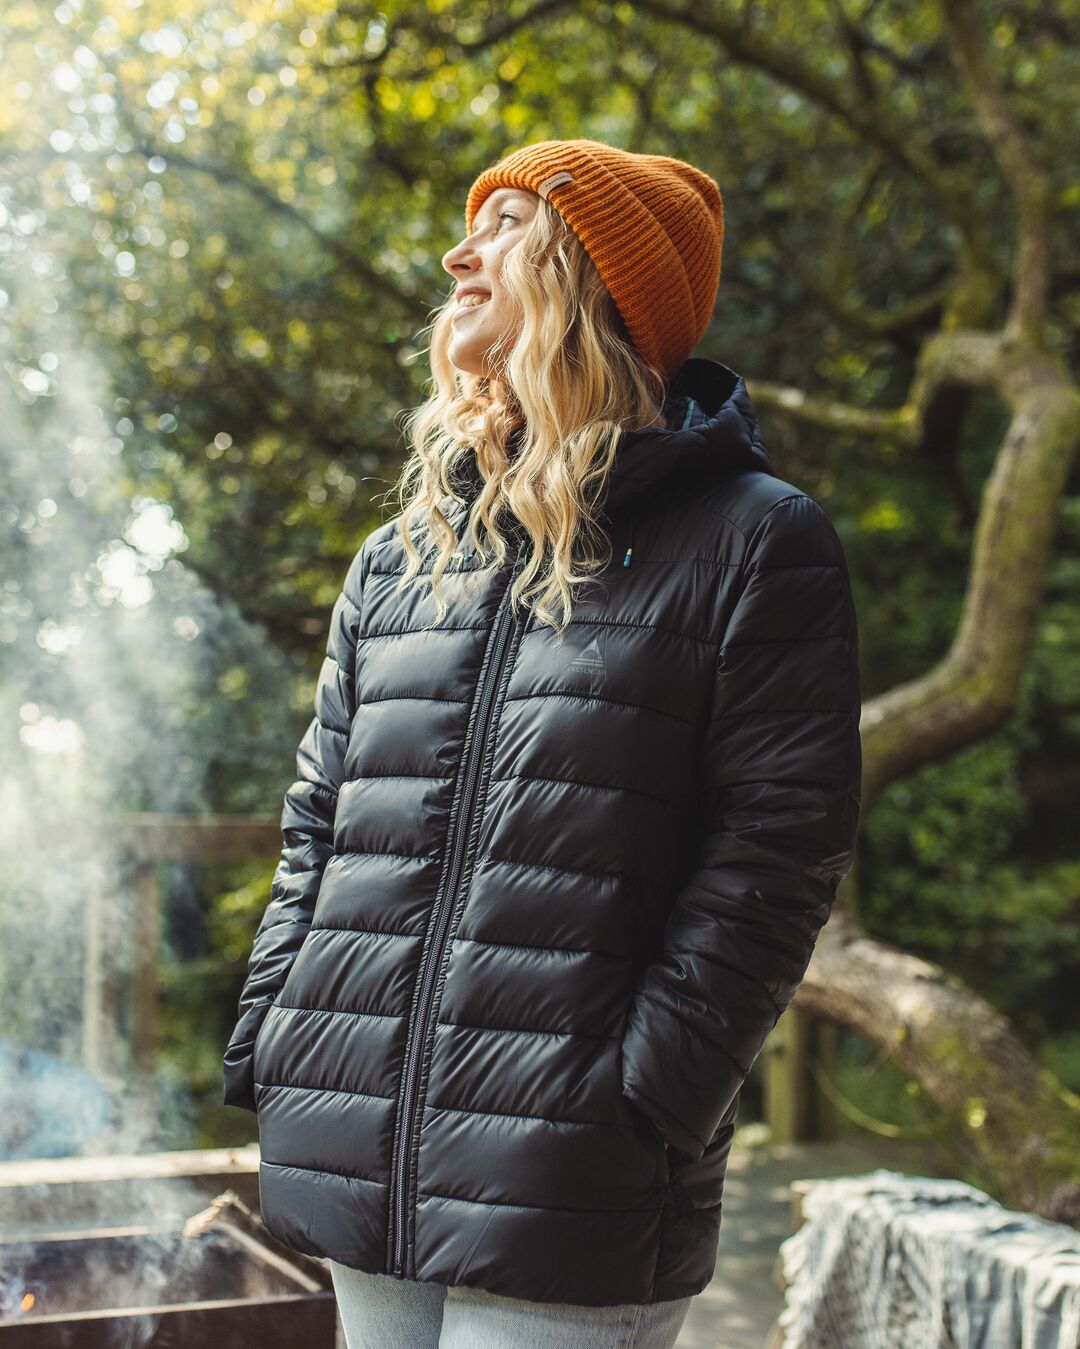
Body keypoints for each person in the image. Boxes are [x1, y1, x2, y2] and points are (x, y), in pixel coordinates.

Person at [222, 137, 863, 1348]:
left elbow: (781, 849)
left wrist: (651, 1095)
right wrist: (277, 1026)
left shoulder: (755, 539)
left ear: (599, 277)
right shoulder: (402, 556)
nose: (459, 256)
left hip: (575, 1169)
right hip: (353, 1139)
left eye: (508, 224)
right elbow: (319, 816)